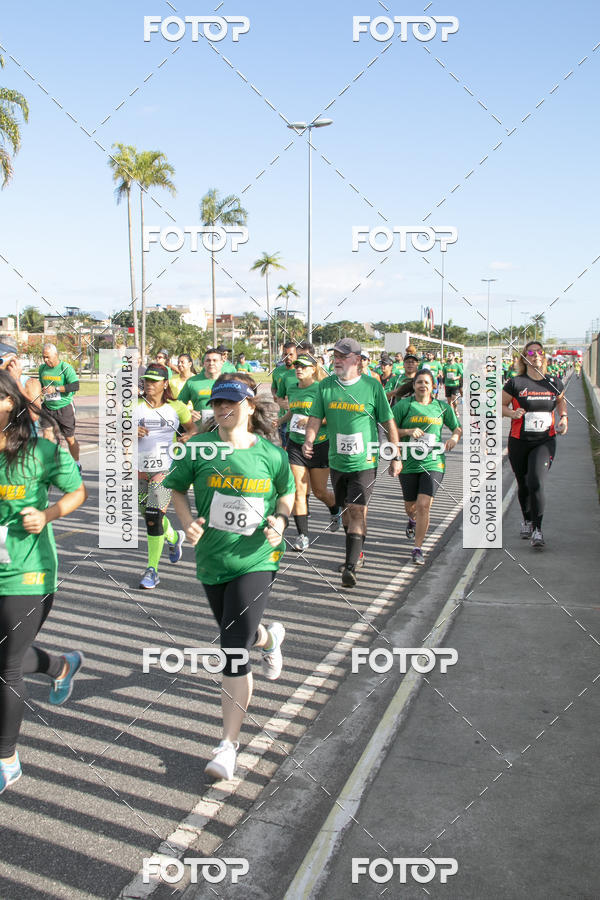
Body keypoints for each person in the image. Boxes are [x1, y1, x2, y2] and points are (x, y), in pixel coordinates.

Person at [165, 375, 295, 781]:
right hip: (212, 560)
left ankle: (227, 745)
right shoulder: (198, 448)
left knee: (232, 647)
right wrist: (185, 523)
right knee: (237, 632)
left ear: (250, 407)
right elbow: (173, 489)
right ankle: (269, 639)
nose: (223, 410)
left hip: (257, 558)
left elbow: (287, 491)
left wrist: (280, 519)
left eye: (231, 403)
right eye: (218, 403)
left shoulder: (271, 455)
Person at [0, 371, 87, 793]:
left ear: (12, 404)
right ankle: (61, 666)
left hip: (28, 572)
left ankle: (7, 759)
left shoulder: (39, 451)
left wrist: (48, 516)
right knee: (5, 656)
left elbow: (77, 492)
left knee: (6, 667)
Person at [302, 338, 402, 587]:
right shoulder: (325, 386)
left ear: (357, 360)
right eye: (334, 355)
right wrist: (309, 440)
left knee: (357, 510)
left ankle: (349, 567)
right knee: (347, 512)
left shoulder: (371, 386)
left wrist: (395, 455)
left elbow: (388, 422)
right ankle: (358, 552)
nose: (336, 360)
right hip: (337, 460)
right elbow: (315, 417)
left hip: (364, 460)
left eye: (342, 356)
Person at [502, 341, 568, 549]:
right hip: (519, 441)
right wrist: (512, 413)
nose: (536, 355)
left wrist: (563, 417)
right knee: (523, 483)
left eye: (539, 352)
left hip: (544, 441)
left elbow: (560, 401)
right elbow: (500, 405)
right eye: (531, 352)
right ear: (524, 358)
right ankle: (528, 520)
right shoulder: (515, 383)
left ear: (544, 357)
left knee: (536, 481)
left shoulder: (553, 382)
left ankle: (537, 530)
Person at [137, 363, 196, 589]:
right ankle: (174, 538)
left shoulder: (177, 407)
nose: (149, 384)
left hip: (165, 467)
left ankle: (152, 570)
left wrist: (188, 436)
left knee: (153, 515)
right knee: (150, 516)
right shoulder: (133, 406)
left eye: (154, 381)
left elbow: (192, 428)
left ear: (165, 384)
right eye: (146, 380)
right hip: (139, 468)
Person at [393, 370, 461, 564]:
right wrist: (407, 430)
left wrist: (454, 438)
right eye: (419, 382)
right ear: (413, 385)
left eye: (427, 383)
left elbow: (456, 427)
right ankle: (412, 520)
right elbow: (389, 429)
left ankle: (418, 548)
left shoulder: (441, 407)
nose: (423, 386)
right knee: (411, 507)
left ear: (434, 386)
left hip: (433, 462)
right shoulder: (404, 405)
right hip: (409, 462)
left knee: (424, 505)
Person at [277, 353, 341, 550]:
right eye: (297, 366)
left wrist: (313, 421)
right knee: (299, 491)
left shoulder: (321, 389)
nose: (298, 369)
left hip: (320, 444)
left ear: (314, 369)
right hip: (296, 444)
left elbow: (333, 417)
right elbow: (293, 411)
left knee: (320, 491)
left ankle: (334, 508)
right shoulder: (292, 387)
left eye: (304, 366)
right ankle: (303, 535)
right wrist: (279, 421)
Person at [38, 343, 81, 468]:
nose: (45, 360)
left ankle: (77, 463)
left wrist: (56, 388)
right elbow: (41, 385)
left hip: (64, 407)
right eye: (43, 357)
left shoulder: (65, 368)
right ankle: (50, 464)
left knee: (69, 439)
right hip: (47, 406)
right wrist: (41, 390)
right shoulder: (42, 368)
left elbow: (75, 386)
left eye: (48, 357)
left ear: (55, 355)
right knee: (47, 435)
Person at [178, 348, 224, 428]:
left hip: (225, 429)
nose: (211, 363)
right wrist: (188, 412)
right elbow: (178, 405)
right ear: (203, 363)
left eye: (215, 360)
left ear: (222, 363)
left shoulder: (230, 381)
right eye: (208, 360)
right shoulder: (192, 382)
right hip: (200, 430)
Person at [272, 342, 298, 449]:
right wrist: (277, 398)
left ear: (296, 355)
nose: (288, 357)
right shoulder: (277, 371)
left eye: (291, 354)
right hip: (283, 417)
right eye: (285, 354)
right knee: (284, 447)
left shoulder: (300, 371)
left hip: (299, 416)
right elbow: (274, 387)